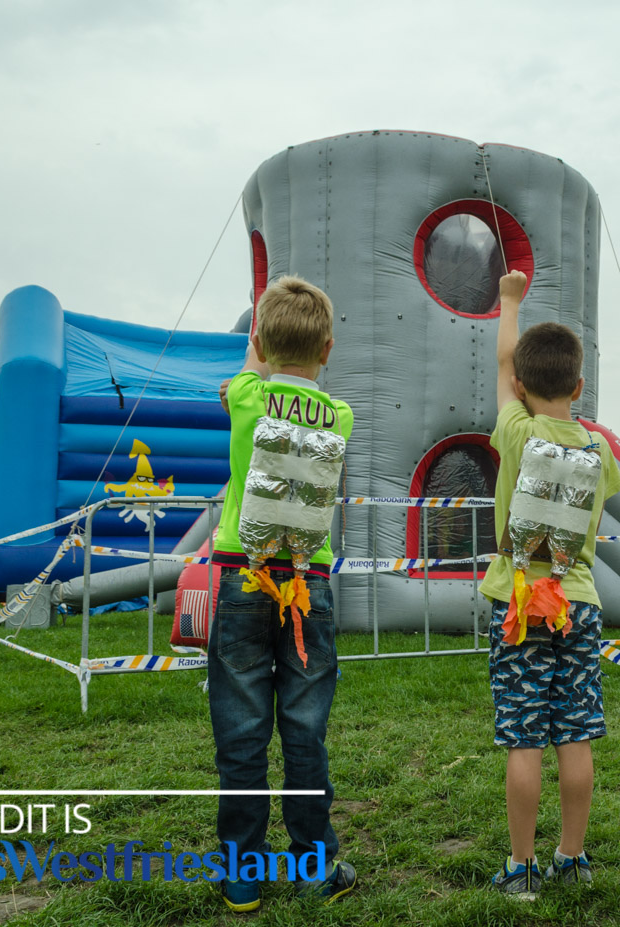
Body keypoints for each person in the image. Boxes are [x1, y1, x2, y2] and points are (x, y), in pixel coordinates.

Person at [208, 275, 357, 913]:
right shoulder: (341, 414)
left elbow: (248, 375)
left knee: (241, 729)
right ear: (327, 350)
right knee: (304, 727)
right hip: (309, 579)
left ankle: (242, 869)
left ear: (260, 342)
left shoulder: (245, 395)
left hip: (241, 571)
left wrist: (255, 352)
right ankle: (313, 861)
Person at [479, 270, 620, 899]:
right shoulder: (599, 448)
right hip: (580, 605)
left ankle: (520, 867)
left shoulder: (516, 433)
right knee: (576, 735)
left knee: (523, 738)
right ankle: (571, 855)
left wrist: (509, 301)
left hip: (518, 606)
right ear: (580, 385)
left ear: (519, 386)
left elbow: (506, 360)